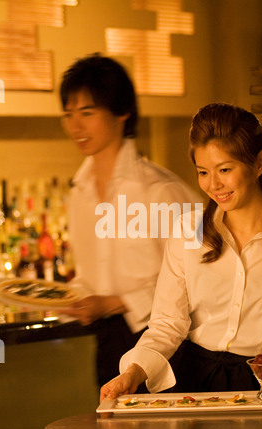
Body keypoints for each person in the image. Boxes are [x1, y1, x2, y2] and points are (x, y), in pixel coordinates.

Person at [100, 102, 262, 401]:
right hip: (190, 381)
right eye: (203, 172)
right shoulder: (186, 231)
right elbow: (168, 323)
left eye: (225, 169)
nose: (213, 184)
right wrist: (132, 372)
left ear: (259, 164)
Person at [60, 53, 202, 390]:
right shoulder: (79, 193)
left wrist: (115, 302)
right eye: (68, 114)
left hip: (168, 345)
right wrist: (73, 298)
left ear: (122, 112)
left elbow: (199, 278)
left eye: (87, 113)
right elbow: (90, 273)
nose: (75, 126)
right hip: (109, 341)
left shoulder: (160, 190)